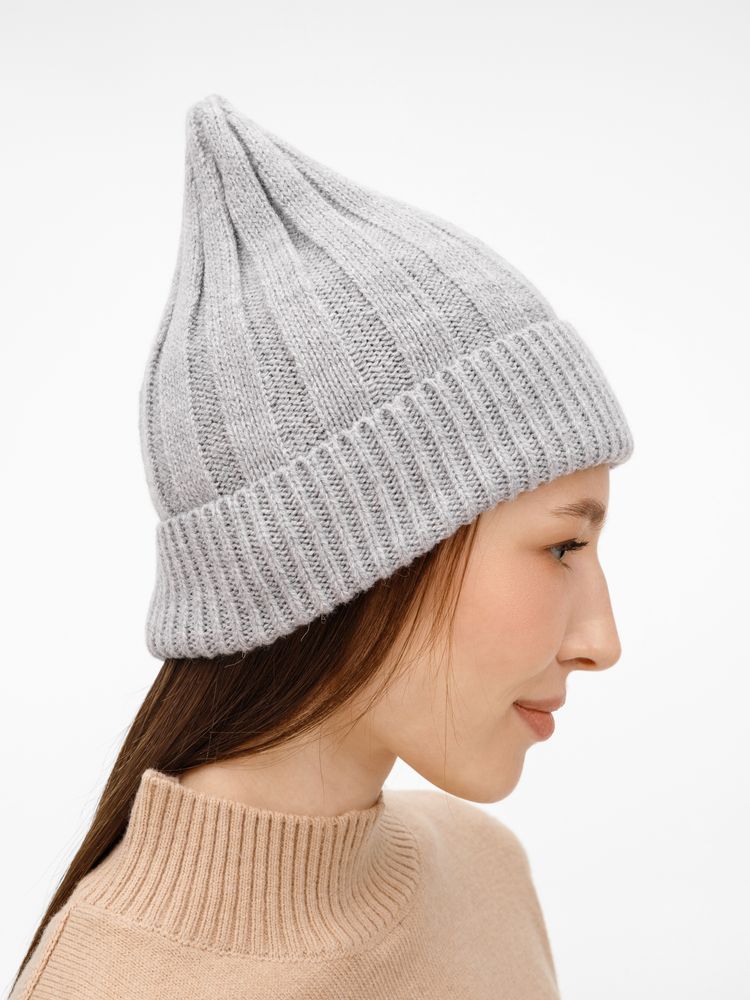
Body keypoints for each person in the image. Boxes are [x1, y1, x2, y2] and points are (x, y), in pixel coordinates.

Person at [9, 93, 634, 999]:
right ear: (353, 552)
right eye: (564, 548)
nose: (601, 641)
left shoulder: (484, 873)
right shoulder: (111, 982)